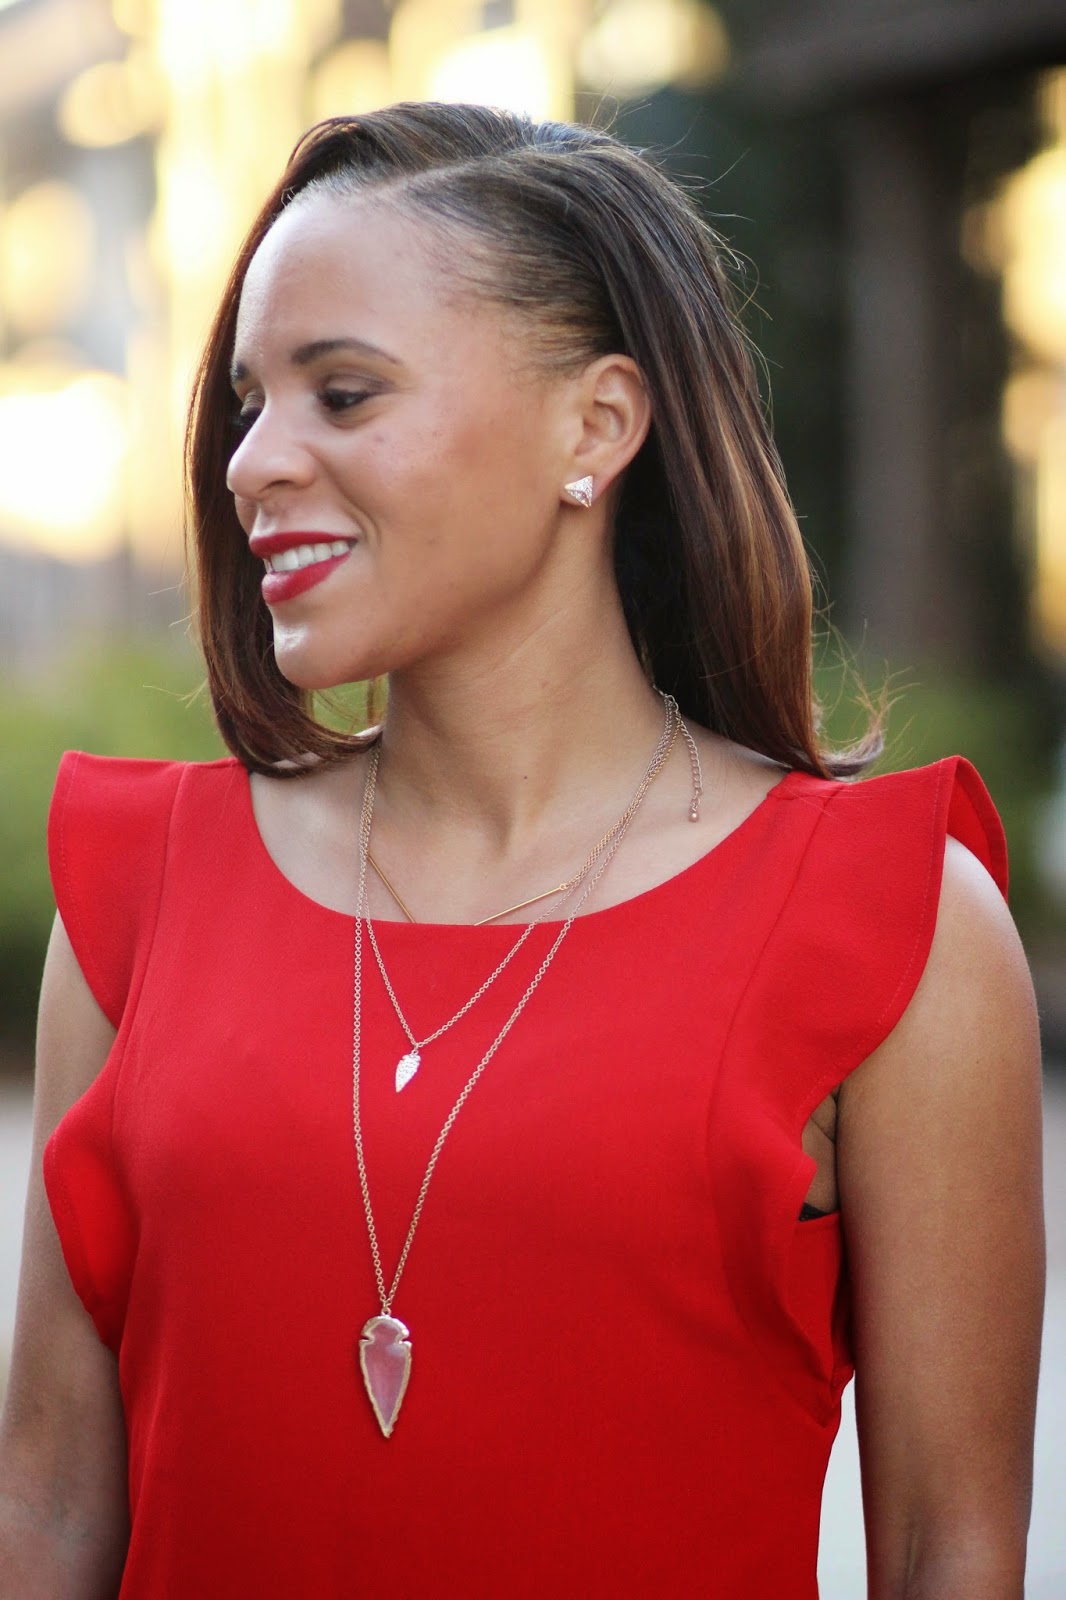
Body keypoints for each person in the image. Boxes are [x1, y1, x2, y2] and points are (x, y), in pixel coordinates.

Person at [0, 102, 1044, 1599]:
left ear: (596, 427)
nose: (251, 463)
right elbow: (43, 1509)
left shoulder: (892, 921)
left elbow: (953, 1551)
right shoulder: (135, 885)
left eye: (342, 394)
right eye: (247, 403)